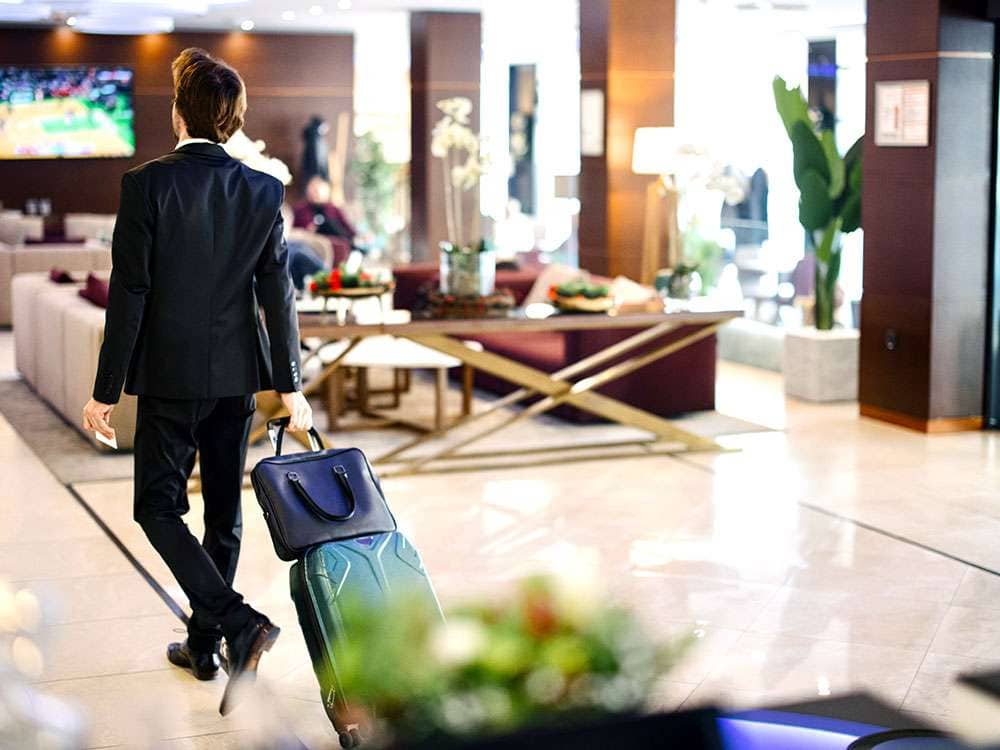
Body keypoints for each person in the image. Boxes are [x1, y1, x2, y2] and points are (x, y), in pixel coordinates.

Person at [80, 48, 313, 716]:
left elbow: (130, 293)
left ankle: (233, 624)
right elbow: (280, 294)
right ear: (235, 121)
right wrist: (289, 383)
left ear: (177, 113)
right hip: (237, 377)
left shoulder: (146, 184)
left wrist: (105, 389)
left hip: (170, 376)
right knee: (223, 510)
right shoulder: (265, 190)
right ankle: (206, 644)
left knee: (156, 505)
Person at [293, 174, 357, 247]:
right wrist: (307, 231)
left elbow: (348, 228)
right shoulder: (300, 209)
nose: (314, 193)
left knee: (330, 224)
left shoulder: (333, 209)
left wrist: (355, 236)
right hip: (311, 243)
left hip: (335, 243)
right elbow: (293, 229)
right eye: (312, 189)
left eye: (317, 190)